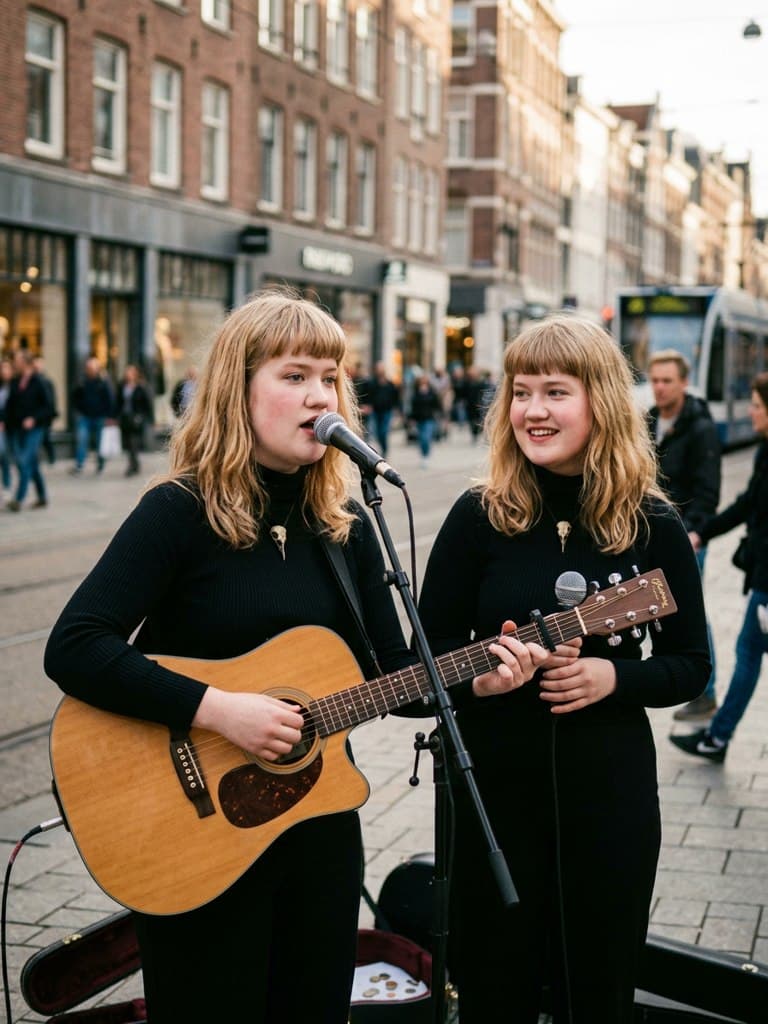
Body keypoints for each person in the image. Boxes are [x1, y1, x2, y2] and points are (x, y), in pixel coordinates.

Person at [43, 289, 545, 1024]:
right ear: (236, 390)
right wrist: (220, 710)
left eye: (331, 377)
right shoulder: (180, 510)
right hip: (194, 839)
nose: (320, 396)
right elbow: (75, 645)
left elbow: (397, 680)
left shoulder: (345, 527)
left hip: (317, 830)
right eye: (295, 376)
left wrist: (481, 681)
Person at [417, 315, 710, 1023]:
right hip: (492, 791)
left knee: (598, 985)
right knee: (494, 988)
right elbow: (423, 662)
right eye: (520, 392)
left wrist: (614, 679)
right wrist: (482, 681)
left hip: (608, 789)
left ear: (600, 401)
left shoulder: (653, 522)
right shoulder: (477, 516)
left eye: (555, 392)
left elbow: (691, 665)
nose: (533, 411)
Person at [670, 372, 768, 764]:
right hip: (761, 579)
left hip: (767, 583)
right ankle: (717, 736)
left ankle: (717, 737)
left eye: (757, 406)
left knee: (748, 653)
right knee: (749, 652)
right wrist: (702, 534)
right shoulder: (765, 452)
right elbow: (745, 504)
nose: (751, 412)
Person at [647, 350, 721, 722]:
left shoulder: (700, 427)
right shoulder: (649, 421)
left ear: (684, 383)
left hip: (686, 538)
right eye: (655, 380)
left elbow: (708, 491)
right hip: (648, 534)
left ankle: (705, 693)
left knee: (691, 614)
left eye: (667, 381)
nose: (659, 387)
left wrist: (694, 532)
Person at [4, 350, 52, 511]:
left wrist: (34, 418)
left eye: (17, 360)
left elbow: (48, 407)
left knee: (24, 460)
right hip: (17, 428)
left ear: (25, 362)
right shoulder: (15, 381)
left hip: (35, 429)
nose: (14, 363)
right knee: (31, 464)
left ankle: (18, 499)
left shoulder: (39, 382)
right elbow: (10, 405)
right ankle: (42, 496)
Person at [71, 357, 115, 475]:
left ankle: (100, 463)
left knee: (100, 442)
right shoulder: (82, 381)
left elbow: (110, 399)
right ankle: (79, 464)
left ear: (97, 369)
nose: (90, 370)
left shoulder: (103, 381)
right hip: (85, 416)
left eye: (92, 367)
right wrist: (79, 409)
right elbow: (75, 396)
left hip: (100, 416)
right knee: (82, 439)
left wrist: (110, 416)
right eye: (88, 367)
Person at [116, 364, 152, 476]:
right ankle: (135, 463)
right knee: (128, 442)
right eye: (127, 372)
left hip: (136, 418)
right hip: (125, 418)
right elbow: (118, 402)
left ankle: (131, 465)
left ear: (135, 374)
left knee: (133, 442)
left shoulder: (141, 386)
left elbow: (147, 403)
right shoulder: (122, 386)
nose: (128, 375)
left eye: (131, 373)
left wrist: (148, 418)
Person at [366, 361, 400, 457]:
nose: (380, 371)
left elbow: (395, 397)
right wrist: (368, 405)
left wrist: (396, 408)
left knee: (384, 431)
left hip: (387, 411)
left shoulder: (390, 384)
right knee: (377, 433)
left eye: (381, 369)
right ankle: (383, 447)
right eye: (378, 369)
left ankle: (385, 449)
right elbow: (369, 396)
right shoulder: (372, 383)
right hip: (375, 411)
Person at [407, 373, 442, 468]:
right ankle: (423, 455)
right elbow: (413, 407)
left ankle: (426, 455)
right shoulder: (416, 393)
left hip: (429, 419)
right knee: (421, 439)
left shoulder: (431, 392)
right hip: (419, 419)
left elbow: (437, 404)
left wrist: (439, 414)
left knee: (426, 438)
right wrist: (411, 419)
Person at [33, 355, 58, 464]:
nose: (37, 365)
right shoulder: (30, 380)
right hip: (34, 415)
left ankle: (51, 456)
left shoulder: (47, 381)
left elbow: (51, 400)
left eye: (39, 363)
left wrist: (51, 414)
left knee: (45, 437)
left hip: (45, 416)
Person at [0, 357, 13, 499]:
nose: (4, 371)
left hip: (9, 426)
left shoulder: (15, 385)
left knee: (4, 455)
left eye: (7, 368)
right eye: (2, 368)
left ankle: (7, 484)